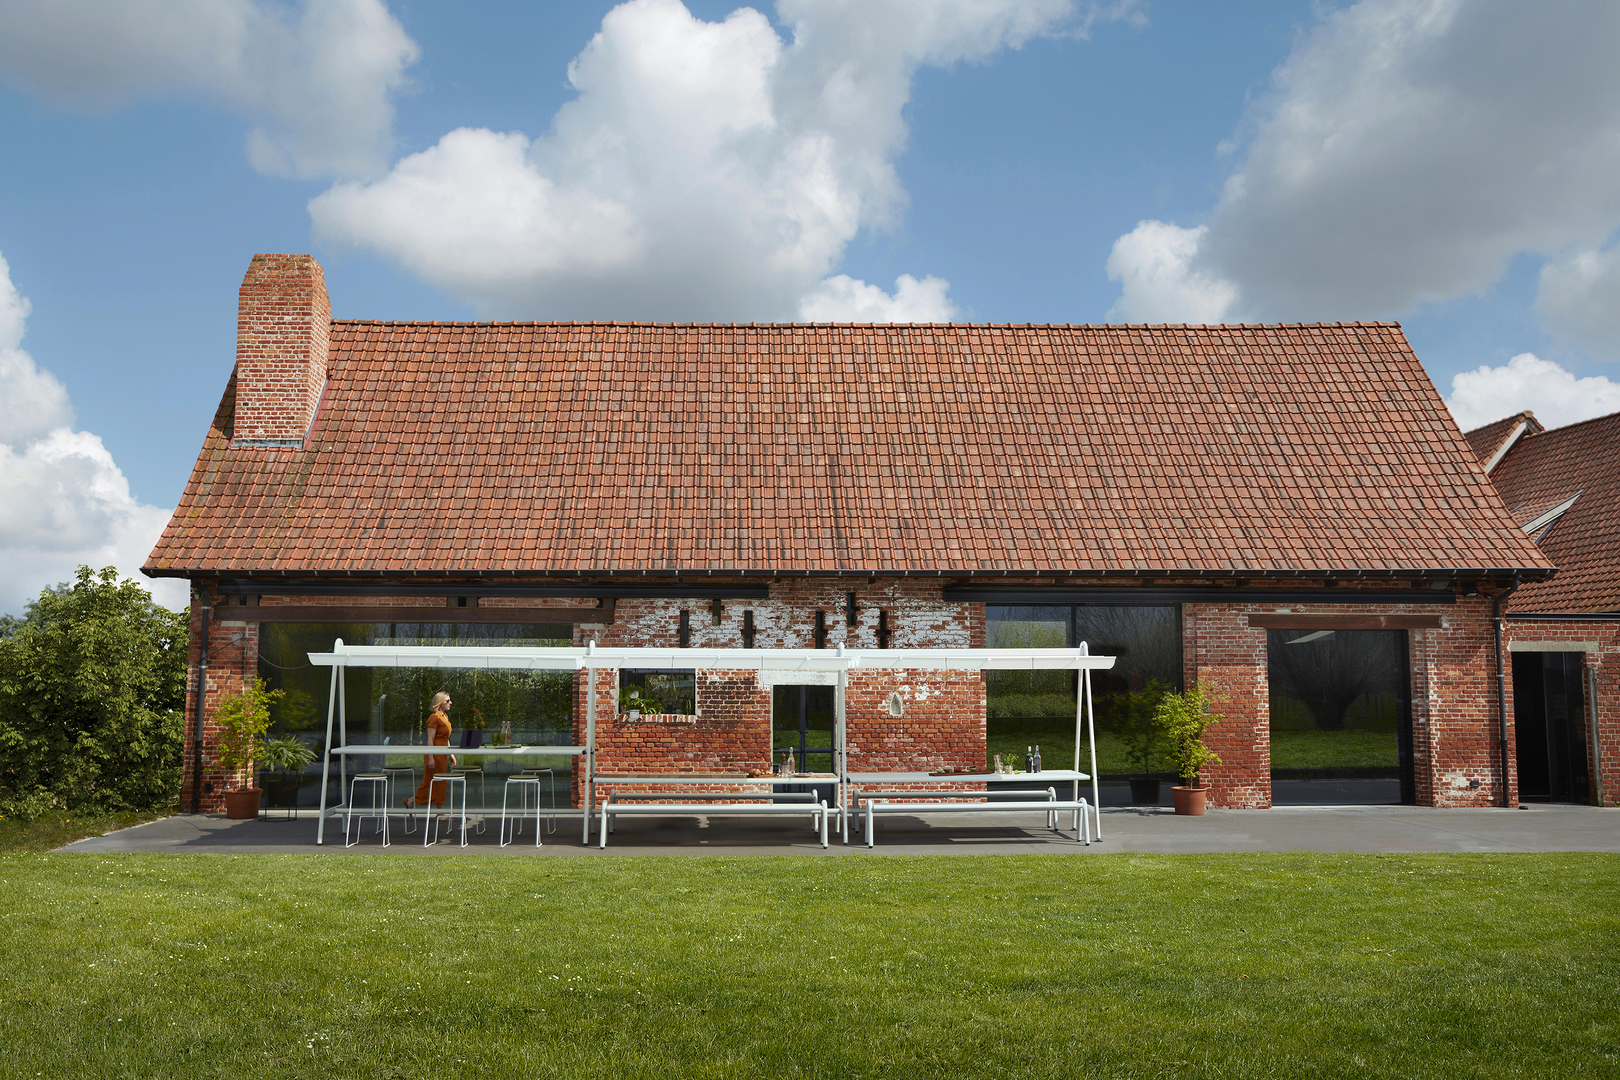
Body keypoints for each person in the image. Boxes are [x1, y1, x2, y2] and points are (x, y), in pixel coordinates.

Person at [404, 691, 456, 808]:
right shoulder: (434, 718)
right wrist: (431, 758)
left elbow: (445, 738)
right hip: (435, 753)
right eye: (447, 701)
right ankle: (439, 811)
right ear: (439, 703)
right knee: (436, 781)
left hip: (442, 752)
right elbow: (430, 740)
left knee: (437, 782)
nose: (450, 703)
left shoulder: (445, 717)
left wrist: (451, 754)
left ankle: (411, 800)